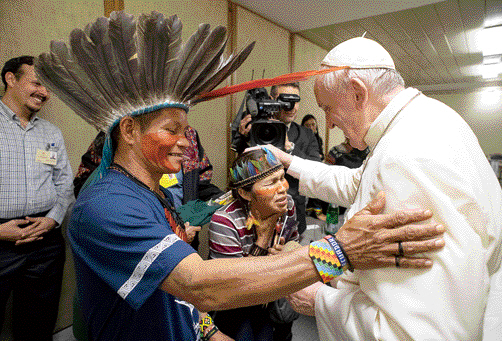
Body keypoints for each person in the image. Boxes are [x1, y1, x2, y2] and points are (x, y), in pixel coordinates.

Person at [37, 12, 446, 341]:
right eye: (173, 130)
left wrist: (209, 332)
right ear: (128, 131)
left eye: (187, 130)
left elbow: (170, 292)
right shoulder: (106, 204)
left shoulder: (152, 194)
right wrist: (339, 251)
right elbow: (197, 283)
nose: (186, 142)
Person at [262, 37, 502, 340]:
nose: (328, 124)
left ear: (357, 92)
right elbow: (358, 182)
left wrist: (320, 301)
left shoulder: (405, 155)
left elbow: (416, 332)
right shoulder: (426, 119)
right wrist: (289, 162)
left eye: (328, 108)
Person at [0, 56, 74, 340]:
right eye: (37, 82)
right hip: (1, 238)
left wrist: (52, 220)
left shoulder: (50, 132)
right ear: (11, 79)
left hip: (45, 241)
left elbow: (64, 183)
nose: (44, 92)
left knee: (38, 324)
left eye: (48, 87)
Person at [73, 126, 223, 248]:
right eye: (170, 131)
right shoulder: (111, 138)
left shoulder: (190, 135)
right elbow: (84, 183)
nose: (184, 142)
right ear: (129, 132)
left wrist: (226, 199)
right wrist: (175, 236)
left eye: (182, 132)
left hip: (182, 235)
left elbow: (200, 182)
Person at [209, 148, 300, 340]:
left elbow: (294, 242)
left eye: (282, 178)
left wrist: (286, 254)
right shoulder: (224, 221)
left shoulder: (287, 205)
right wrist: (263, 239)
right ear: (245, 193)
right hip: (235, 305)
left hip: (274, 292)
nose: (283, 188)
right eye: (271, 183)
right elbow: (234, 286)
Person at [233, 82, 321, 234]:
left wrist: (290, 147)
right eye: (285, 100)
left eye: (296, 101)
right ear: (272, 99)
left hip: (293, 213)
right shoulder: (255, 127)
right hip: (255, 214)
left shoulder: (306, 135)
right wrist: (242, 138)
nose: (291, 106)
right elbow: (241, 172)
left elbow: (316, 170)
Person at [301, 114, 328, 221]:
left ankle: (314, 209)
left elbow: (320, 155)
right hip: (303, 167)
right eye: (308, 125)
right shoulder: (301, 139)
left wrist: (320, 157)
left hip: (315, 167)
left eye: (313, 124)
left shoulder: (319, 139)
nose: (311, 127)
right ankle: (316, 211)